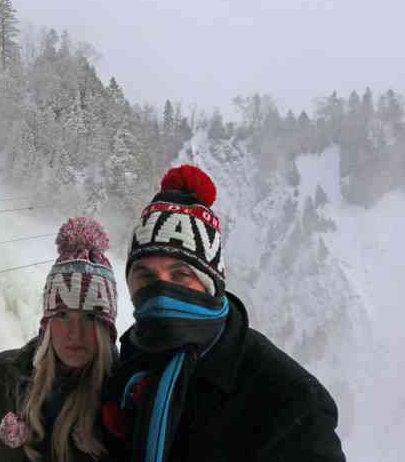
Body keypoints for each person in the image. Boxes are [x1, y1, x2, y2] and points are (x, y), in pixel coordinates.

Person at [100, 165, 346, 462]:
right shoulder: (131, 360)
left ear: (211, 283)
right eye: (146, 277)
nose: (162, 293)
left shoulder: (289, 401)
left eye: (181, 275)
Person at [0, 217, 119, 462]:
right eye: (62, 315)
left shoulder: (122, 392)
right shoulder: (5, 372)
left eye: (90, 318)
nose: (75, 333)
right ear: (47, 323)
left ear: (107, 328)